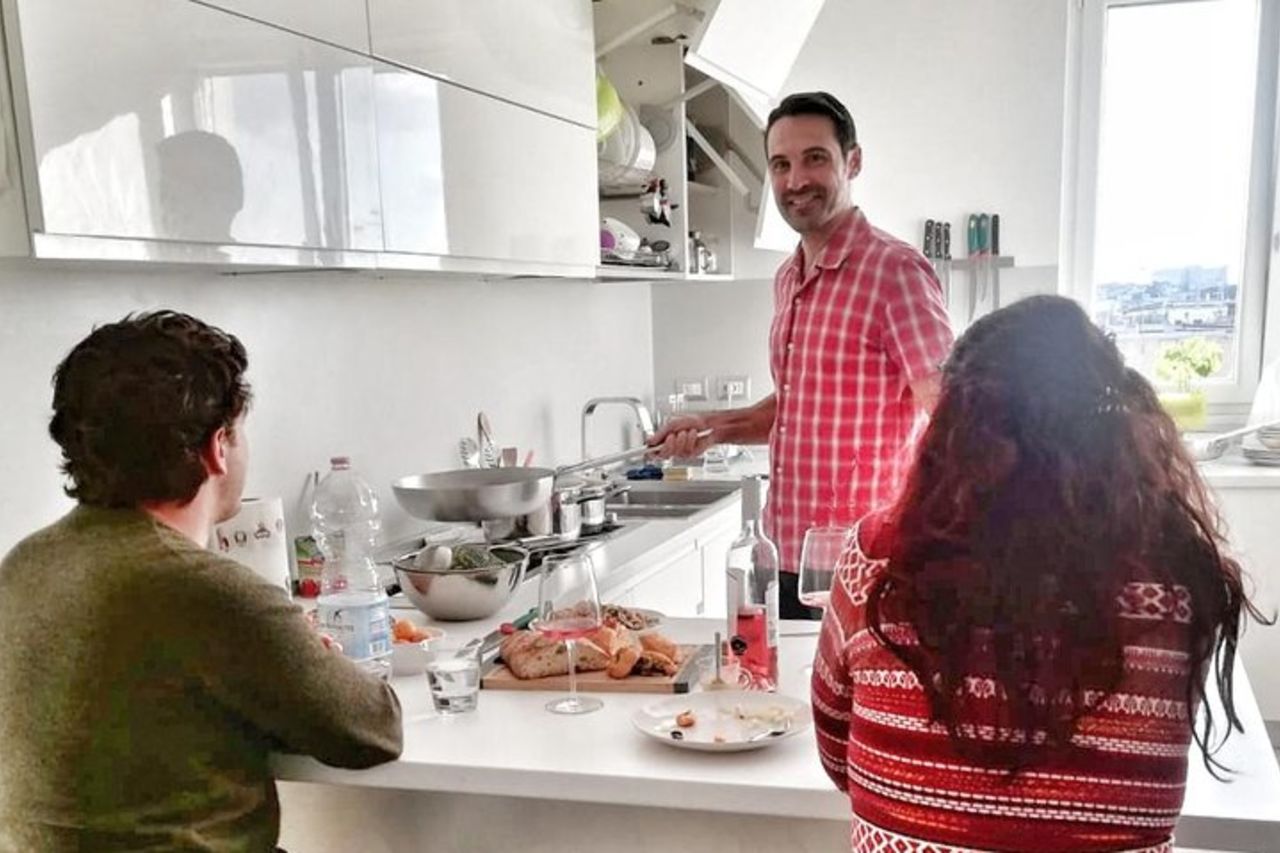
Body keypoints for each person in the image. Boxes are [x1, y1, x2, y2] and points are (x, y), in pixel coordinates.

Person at [812, 295, 1266, 852]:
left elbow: (837, 757)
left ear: (954, 429)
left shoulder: (878, 558)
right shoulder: (1178, 578)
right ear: (1120, 425)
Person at [0, 311, 403, 851]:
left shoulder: (24, 564)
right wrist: (303, 649)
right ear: (218, 446)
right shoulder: (207, 592)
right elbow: (373, 728)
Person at [648, 91, 954, 618]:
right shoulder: (789, 277)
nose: (796, 181)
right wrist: (711, 426)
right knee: (783, 701)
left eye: (815, 158)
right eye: (781, 164)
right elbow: (797, 405)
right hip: (788, 558)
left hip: (866, 565)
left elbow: (952, 413)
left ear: (852, 161)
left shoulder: (894, 272)